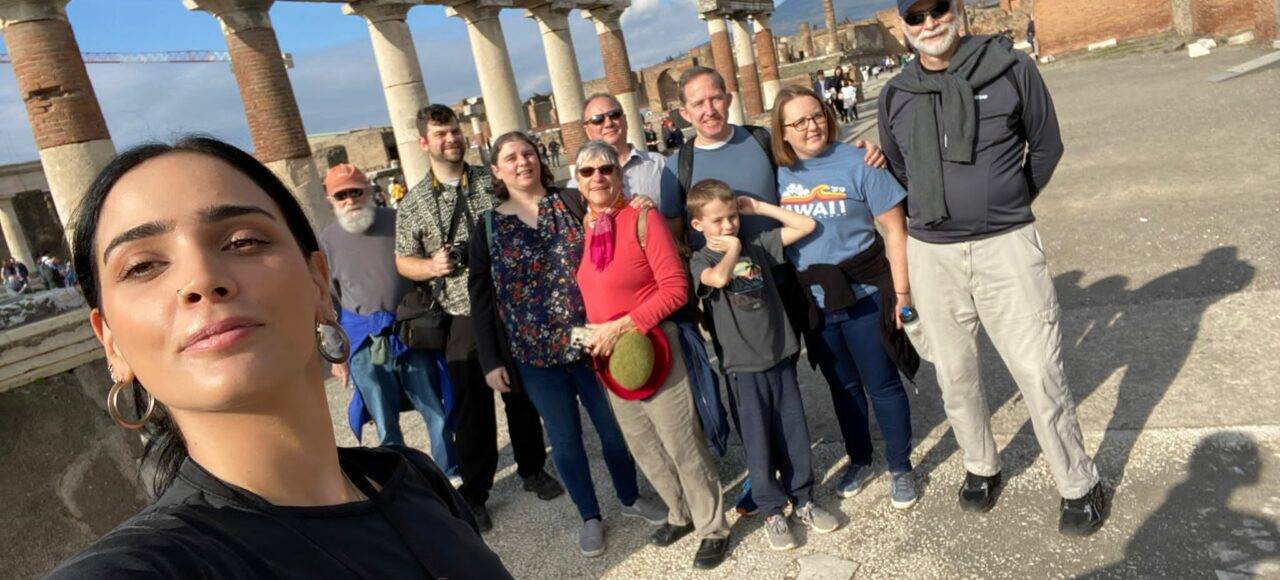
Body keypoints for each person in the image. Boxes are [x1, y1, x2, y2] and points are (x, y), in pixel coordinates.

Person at [48, 136, 510, 578]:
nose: (201, 279)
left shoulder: (415, 479)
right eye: (142, 266)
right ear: (111, 342)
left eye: (244, 241)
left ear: (318, 283)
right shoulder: (150, 565)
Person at [880, 0, 1106, 535]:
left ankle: (1078, 482)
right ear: (903, 26)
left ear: (955, 10)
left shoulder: (1010, 68)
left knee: (1037, 370)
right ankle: (982, 465)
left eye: (937, 9)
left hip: (1005, 245)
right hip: (931, 254)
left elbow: (1046, 144)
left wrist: (1007, 203)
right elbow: (893, 169)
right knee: (955, 374)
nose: (929, 23)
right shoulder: (896, 95)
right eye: (916, 16)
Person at [658, 66, 885, 514]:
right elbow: (676, 234)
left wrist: (864, 151)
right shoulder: (677, 165)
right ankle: (763, 480)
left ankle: (802, 476)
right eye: (698, 103)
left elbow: (814, 158)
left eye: (715, 98)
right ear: (684, 112)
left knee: (790, 376)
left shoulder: (760, 140)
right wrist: (697, 295)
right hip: (727, 294)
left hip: (782, 274)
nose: (709, 109)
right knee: (745, 383)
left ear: (728, 96)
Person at [468, 132, 666, 558]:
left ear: (539, 158)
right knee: (566, 439)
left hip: (594, 344)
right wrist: (490, 359)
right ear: (496, 171)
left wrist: (641, 205)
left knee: (614, 431)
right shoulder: (485, 226)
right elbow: (481, 297)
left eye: (528, 153)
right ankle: (589, 515)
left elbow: (615, 214)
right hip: (534, 357)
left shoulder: (570, 202)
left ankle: (630, 496)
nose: (522, 162)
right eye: (510, 158)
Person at [395, 104, 562, 532]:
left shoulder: (492, 181)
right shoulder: (413, 202)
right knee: (472, 408)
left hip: (512, 304)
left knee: (521, 395)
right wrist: (431, 267)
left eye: (454, 131)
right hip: (462, 312)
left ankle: (532, 468)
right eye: (440, 134)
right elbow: (402, 260)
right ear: (423, 142)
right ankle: (476, 490)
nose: (451, 139)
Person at [571, 140, 731, 569]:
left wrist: (622, 325)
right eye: (588, 172)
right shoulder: (584, 228)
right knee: (644, 444)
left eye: (605, 169)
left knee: (681, 441)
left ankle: (712, 525)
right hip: (610, 359)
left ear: (619, 174)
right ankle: (678, 512)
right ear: (578, 181)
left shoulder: (643, 218)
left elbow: (676, 287)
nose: (598, 178)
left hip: (653, 347)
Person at [772, 85, 921, 510]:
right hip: (815, 302)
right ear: (782, 133)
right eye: (798, 122)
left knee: (882, 383)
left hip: (864, 293)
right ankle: (860, 458)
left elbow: (895, 230)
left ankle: (900, 466)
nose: (811, 126)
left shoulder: (860, 160)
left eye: (816, 115)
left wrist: (903, 292)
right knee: (843, 386)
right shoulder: (777, 174)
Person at [687, 179, 845, 550]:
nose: (728, 226)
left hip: (779, 355)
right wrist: (733, 249)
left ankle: (803, 499)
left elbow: (806, 227)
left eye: (731, 217)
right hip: (743, 369)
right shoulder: (701, 260)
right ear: (698, 226)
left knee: (794, 433)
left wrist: (758, 209)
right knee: (758, 442)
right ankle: (772, 509)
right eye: (717, 221)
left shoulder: (758, 246)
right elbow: (720, 278)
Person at [319, 164, 456, 481]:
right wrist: (336, 355)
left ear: (368, 190)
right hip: (365, 342)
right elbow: (326, 302)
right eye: (342, 195)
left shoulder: (398, 221)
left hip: (410, 333)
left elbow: (425, 269)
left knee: (434, 409)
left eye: (356, 191)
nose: (351, 200)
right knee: (384, 421)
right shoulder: (327, 241)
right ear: (331, 200)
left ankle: (450, 476)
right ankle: (403, 484)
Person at [568, 93, 666, 204]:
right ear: (587, 130)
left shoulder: (659, 164)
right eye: (597, 119)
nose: (608, 123)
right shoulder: (576, 185)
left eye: (614, 114)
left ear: (625, 120)